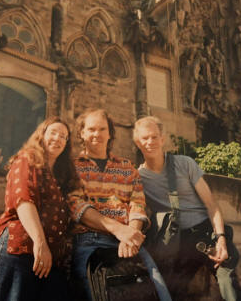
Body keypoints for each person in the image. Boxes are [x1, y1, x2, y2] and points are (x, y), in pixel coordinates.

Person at [133, 116, 241, 301]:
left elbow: (212, 206)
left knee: (229, 288)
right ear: (138, 142)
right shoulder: (138, 177)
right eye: (145, 138)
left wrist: (221, 240)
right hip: (179, 242)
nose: (150, 142)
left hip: (207, 232)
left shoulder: (184, 163)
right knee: (170, 292)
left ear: (162, 139)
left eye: (154, 137)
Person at [68, 109, 172, 301]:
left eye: (102, 129)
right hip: (90, 242)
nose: (96, 134)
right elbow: (76, 206)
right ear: (82, 133)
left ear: (110, 133)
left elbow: (138, 204)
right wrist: (119, 230)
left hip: (129, 240)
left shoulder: (127, 168)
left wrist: (129, 237)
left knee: (160, 294)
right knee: (99, 294)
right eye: (91, 129)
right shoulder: (73, 168)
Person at [0, 116, 79, 301]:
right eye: (53, 133)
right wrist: (40, 243)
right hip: (16, 251)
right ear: (41, 135)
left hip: (46, 260)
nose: (58, 138)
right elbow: (23, 201)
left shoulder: (59, 177)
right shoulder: (27, 159)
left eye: (63, 136)